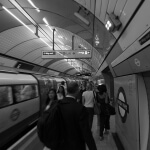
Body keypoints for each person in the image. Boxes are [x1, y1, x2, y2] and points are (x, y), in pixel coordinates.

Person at [60, 82, 97, 150]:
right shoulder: (80, 108)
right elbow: (86, 132)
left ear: (67, 90)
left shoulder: (57, 105)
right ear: (77, 91)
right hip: (76, 144)